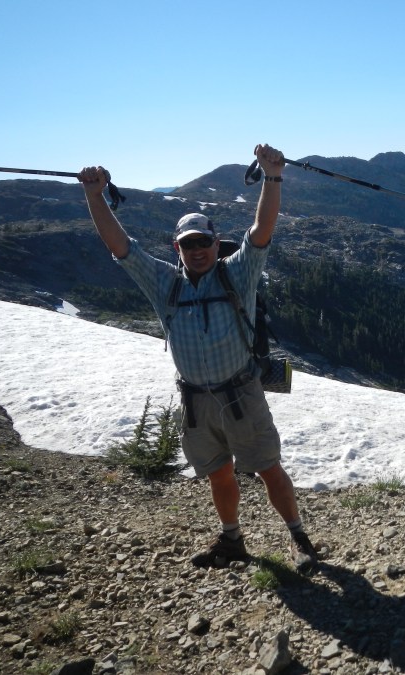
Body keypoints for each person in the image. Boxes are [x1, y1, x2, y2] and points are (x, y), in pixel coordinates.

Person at [78, 144, 318, 572]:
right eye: (188, 244)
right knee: (218, 473)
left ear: (215, 242)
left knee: (268, 467)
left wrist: (272, 176)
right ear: (177, 247)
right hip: (195, 401)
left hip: (241, 393)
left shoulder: (237, 272)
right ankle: (232, 540)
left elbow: (261, 230)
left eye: (203, 242)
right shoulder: (164, 282)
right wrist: (94, 195)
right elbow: (121, 246)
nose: (197, 250)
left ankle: (300, 538)